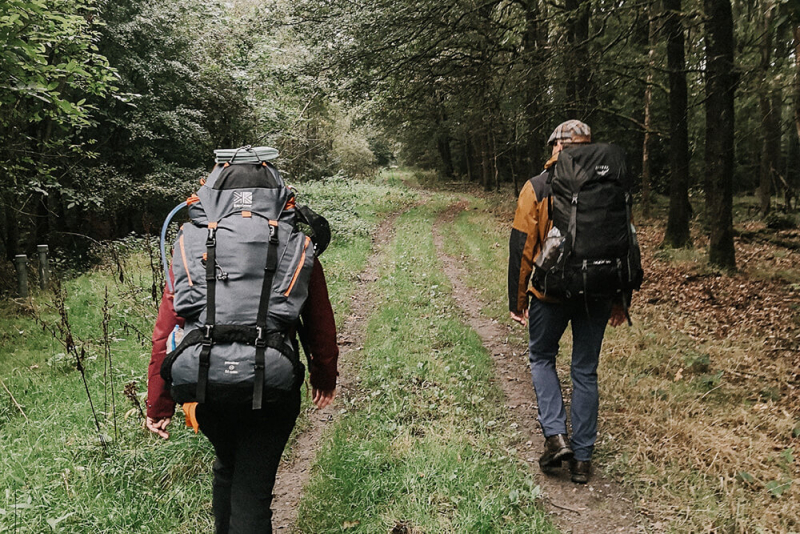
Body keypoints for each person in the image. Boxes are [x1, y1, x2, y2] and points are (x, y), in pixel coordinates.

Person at [146, 254, 338, 533]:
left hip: (205, 385)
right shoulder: (295, 242)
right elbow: (319, 320)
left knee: (228, 463)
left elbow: (167, 329)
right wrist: (323, 376)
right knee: (252, 487)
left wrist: (159, 404)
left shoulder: (196, 241)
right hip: (272, 389)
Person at [508, 120, 627, 484]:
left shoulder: (539, 186)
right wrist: (621, 299)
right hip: (599, 293)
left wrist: (517, 300)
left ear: (558, 146)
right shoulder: (612, 186)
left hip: (551, 293)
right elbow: (624, 246)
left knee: (542, 357)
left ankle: (556, 437)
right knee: (585, 370)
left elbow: (522, 246)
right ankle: (583, 459)